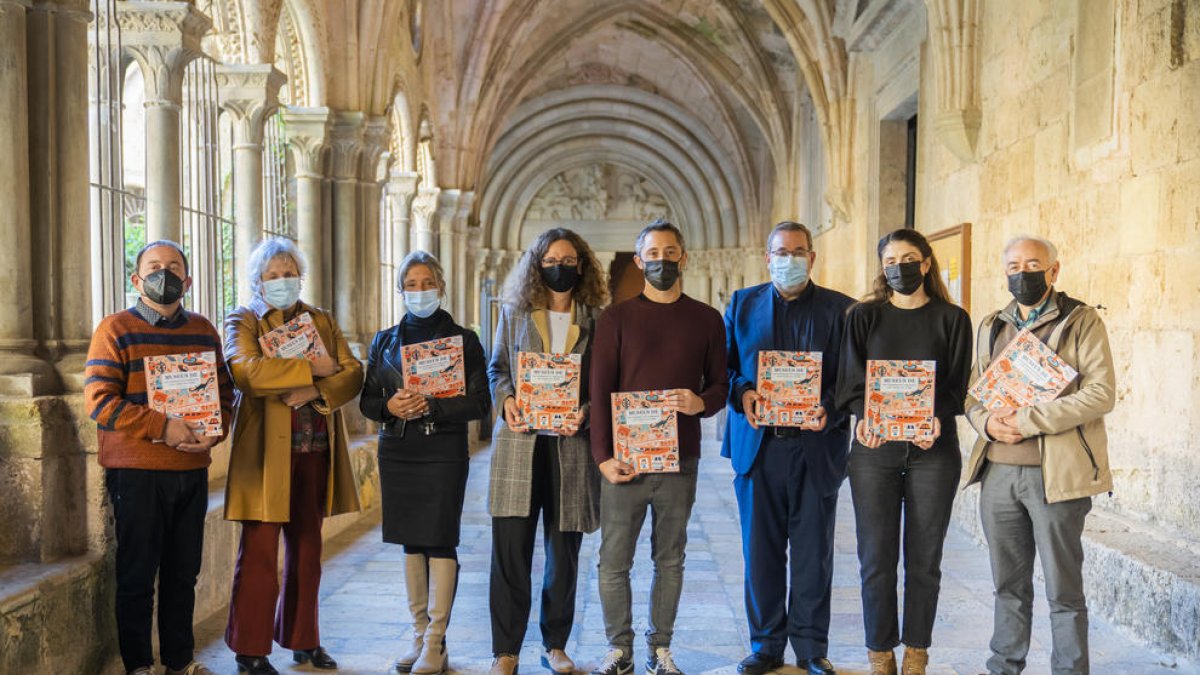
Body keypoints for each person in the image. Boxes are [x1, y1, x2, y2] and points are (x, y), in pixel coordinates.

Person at [964, 236, 1115, 675]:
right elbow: (974, 394)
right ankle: (1004, 666)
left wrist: (1029, 419)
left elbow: (1101, 394)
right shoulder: (992, 324)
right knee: (1007, 586)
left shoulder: (1082, 321)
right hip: (999, 475)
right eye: (1013, 265)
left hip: (1057, 479)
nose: (1022, 273)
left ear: (1053, 271)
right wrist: (987, 424)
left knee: (1063, 590)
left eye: (1033, 264)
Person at [85, 240, 233, 675]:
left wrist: (213, 433)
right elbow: (99, 401)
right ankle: (138, 666)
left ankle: (180, 660)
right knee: (137, 574)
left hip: (190, 470)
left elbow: (225, 396)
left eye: (173, 267)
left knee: (183, 573)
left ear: (187, 280)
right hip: (136, 473)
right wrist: (163, 426)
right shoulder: (114, 329)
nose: (163, 273)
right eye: (154, 266)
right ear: (136, 279)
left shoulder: (204, 330)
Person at [588, 218, 729, 675]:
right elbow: (599, 388)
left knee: (670, 558)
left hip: (679, 459)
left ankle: (660, 648)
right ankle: (619, 648)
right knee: (614, 559)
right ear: (639, 260)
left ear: (683, 257)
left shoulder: (707, 319)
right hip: (625, 460)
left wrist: (700, 402)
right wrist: (603, 458)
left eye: (670, 253)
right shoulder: (617, 318)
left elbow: (722, 386)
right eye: (653, 254)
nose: (662, 261)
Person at [834, 228, 972, 675]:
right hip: (875, 451)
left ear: (926, 263)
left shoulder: (952, 318)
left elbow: (957, 386)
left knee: (925, 558)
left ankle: (916, 653)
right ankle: (880, 654)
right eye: (891, 260)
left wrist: (937, 417)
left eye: (908, 258)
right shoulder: (863, 317)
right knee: (875, 556)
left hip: (933, 450)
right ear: (882, 267)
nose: (900, 267)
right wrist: (864, 420)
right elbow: (849, 384)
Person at [223, 238, 364, 675]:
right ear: (257, 281)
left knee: (307, 548)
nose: (282, 281)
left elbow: (353, 371)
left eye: (288, 273)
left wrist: (315, 389)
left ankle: (305, 640)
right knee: (260, 552)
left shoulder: (320, 319)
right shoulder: (243, 319)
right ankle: (250, 648)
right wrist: (315, 368)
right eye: (272, 275)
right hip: (265, 455)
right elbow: (246, 371)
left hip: (315, 449)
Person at [723, 222, 854, 675]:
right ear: (767, 256)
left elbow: (852, 379)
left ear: (812, 258)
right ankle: (765, 646)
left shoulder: (842, 310)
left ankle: (811, 648)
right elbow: (721, 369)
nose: (790, 258)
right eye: (781, 251)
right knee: (760, 552)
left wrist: (830, 408)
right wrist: (744, 395)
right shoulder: (742, 304)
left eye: (798, 251)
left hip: (816, 444)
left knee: (813, 553)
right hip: (760, 448)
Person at [359, 250, 490, 675]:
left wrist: (432, 406)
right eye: (411, 284)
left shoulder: (464, 340)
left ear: (442, 286)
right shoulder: (383, 340)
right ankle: (418, 636)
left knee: (439, 539)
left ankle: (437, 641)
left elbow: (479, 403)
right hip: (398, 449)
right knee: (411, 540)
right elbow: (367, 401)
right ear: (400, 290)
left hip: (442, 451)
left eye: (427, 283)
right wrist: (390, 406)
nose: (420, 291)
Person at [485, 228, 608, 675]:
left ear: (583, 266)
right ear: (537, 264)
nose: (561, 266)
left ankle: (554, 644)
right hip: (520, 444)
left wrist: (588, 411)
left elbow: (604, 382)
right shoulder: (515, 312)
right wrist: (508, 401)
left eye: (570, 259)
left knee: (563, 553)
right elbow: (497, 368)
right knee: (510, 552)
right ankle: (506, 650)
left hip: (571, 447)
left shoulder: (597, 317)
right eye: (552, 259)